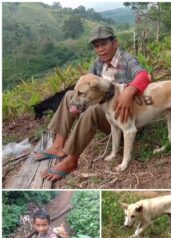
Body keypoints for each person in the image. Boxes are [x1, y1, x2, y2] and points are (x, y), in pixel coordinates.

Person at [34, 25, 151, 181]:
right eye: (97, 46)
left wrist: (128, 92)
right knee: (69, 95)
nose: (100, 49)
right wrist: (77, 101)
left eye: (104, 44)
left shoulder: (127, 60)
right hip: (109, 117)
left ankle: (72, 160)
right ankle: (58, 145)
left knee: (94, 110)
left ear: (115, 42)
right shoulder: (98, 64)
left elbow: (144, 76)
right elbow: (86, 84)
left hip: (126, 119)